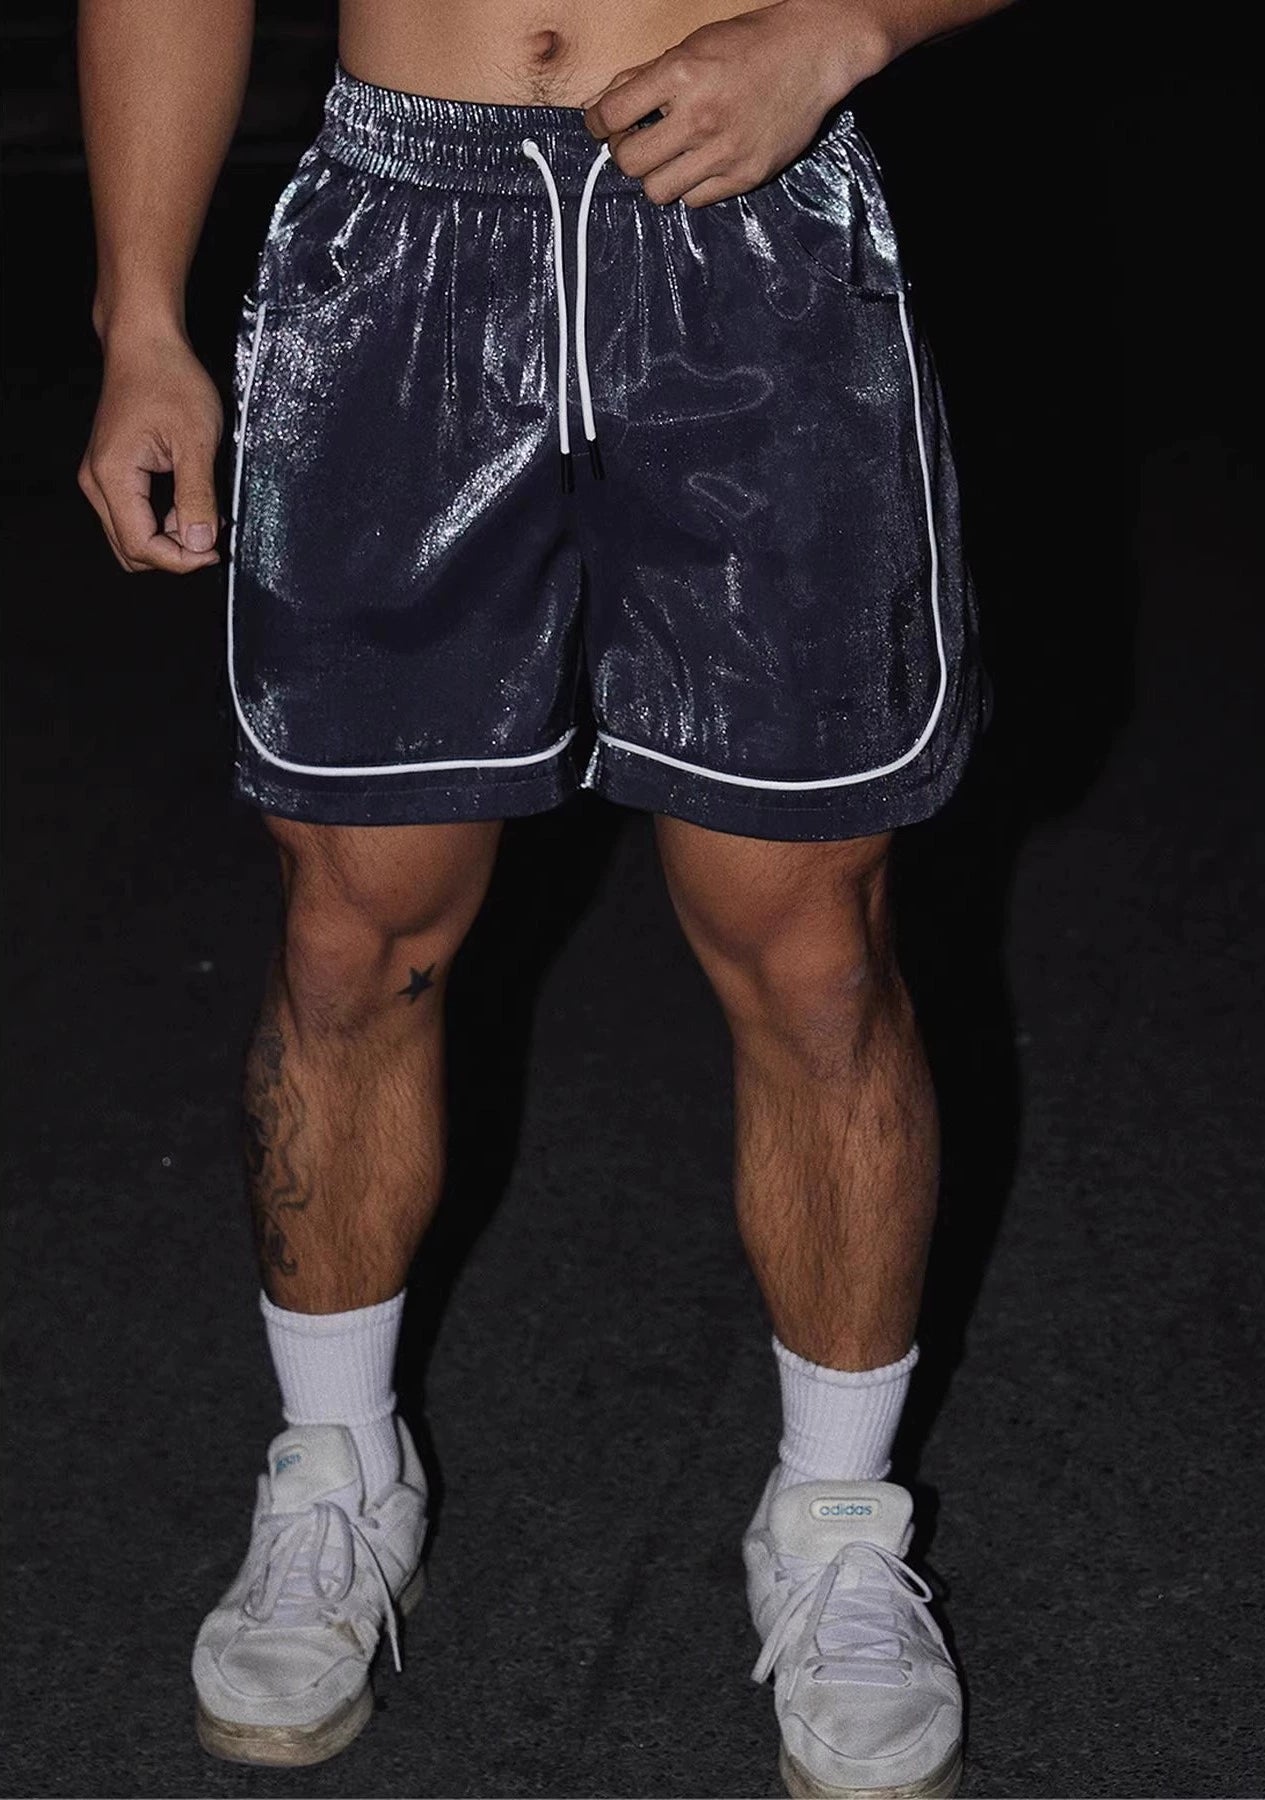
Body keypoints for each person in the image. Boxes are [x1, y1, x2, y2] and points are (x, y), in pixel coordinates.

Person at [77, 0, 1004, 1790]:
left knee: (813, 957)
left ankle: (835, 1521)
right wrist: (140, 317)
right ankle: (334, 1476)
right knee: (356, 937)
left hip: (750, 236)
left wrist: (845, 29)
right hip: (394, 249)